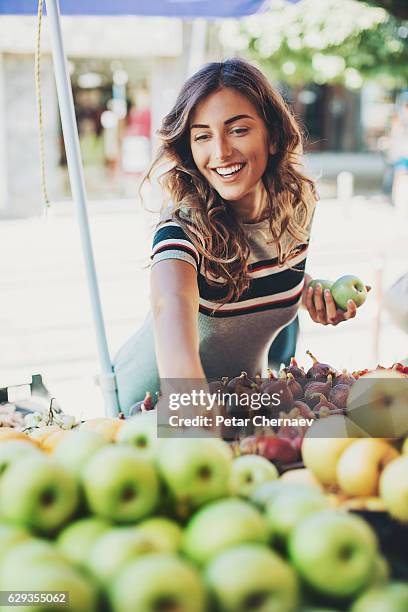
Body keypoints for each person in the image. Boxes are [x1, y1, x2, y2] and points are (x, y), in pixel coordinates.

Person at [113, 58, 362, 414]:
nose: (221, 152)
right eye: (202, 136)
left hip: (240, 401)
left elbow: (263, 278)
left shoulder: (297, 209)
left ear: (273, 136)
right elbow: (169, 304)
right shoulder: (181, 232)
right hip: (157, 408)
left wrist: (311, 294)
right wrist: (194, 411)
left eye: (238, 130)